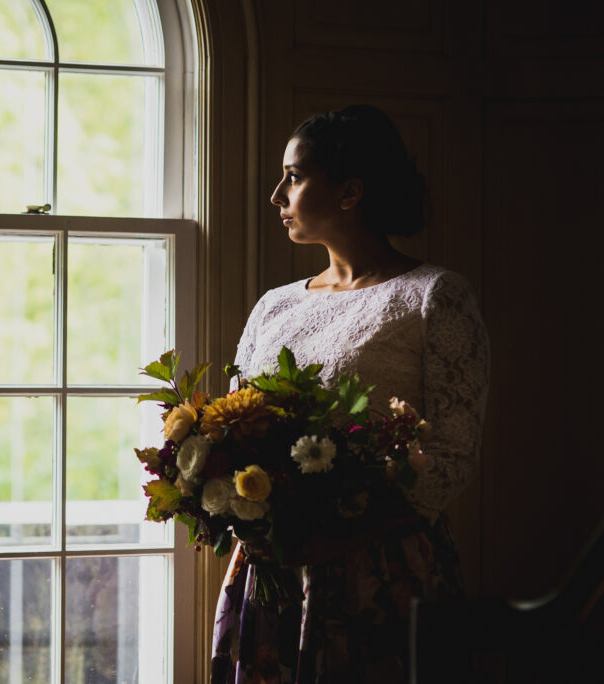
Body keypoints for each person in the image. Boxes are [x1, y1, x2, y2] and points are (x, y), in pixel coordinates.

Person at [210, 105, 490, 683]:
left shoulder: (433, 297)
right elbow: (231, 427)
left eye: (293, 176)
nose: (276, 195)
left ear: (349, 191)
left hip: (382, 572)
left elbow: (454, 455)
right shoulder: (276, 305)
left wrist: (338, 534)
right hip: (273, 570)